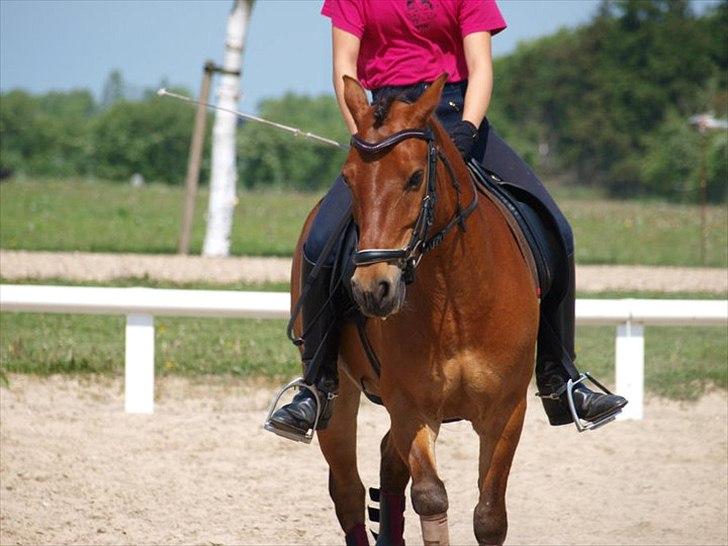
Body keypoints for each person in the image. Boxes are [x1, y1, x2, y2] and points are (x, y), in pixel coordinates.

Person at [266, 0, 627, 441]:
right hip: (382, 122)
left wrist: (468, 130)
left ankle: (559, 376)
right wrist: (365, 133)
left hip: (457, 113)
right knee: (321, 240)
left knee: (553, 226)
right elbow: (344, 66)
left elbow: (479, 67)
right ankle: (317, 386)